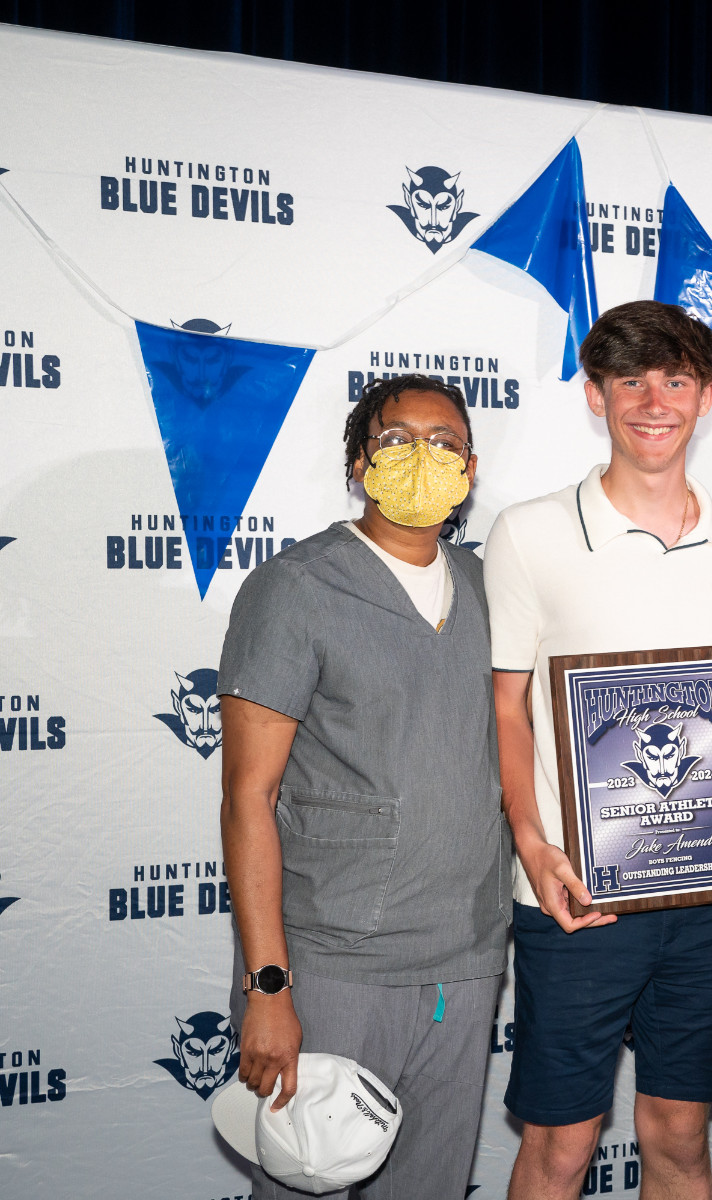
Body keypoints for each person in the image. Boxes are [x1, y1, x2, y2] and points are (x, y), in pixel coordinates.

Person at [484, 301, 712, 1200]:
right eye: (631, 380)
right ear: (595, 394)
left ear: (707, 394)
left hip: (707, 897)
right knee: (561, 1148)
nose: (654, 400)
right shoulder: (527, 533)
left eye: (676, 378)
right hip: (577, 897)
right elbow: (505, 709)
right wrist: (533, 848)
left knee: (681, 1141)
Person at [220, 374, 509, 1200]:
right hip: (333, 963)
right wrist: (268, 985)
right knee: (302, 1185)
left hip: (466, 954)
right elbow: (248, 798)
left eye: (445, 441)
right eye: (395, 440)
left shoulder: (494, 589)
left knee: (429, 1186)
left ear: (471, 467)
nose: (423, 457)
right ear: (358, 463)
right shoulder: (297, 589)